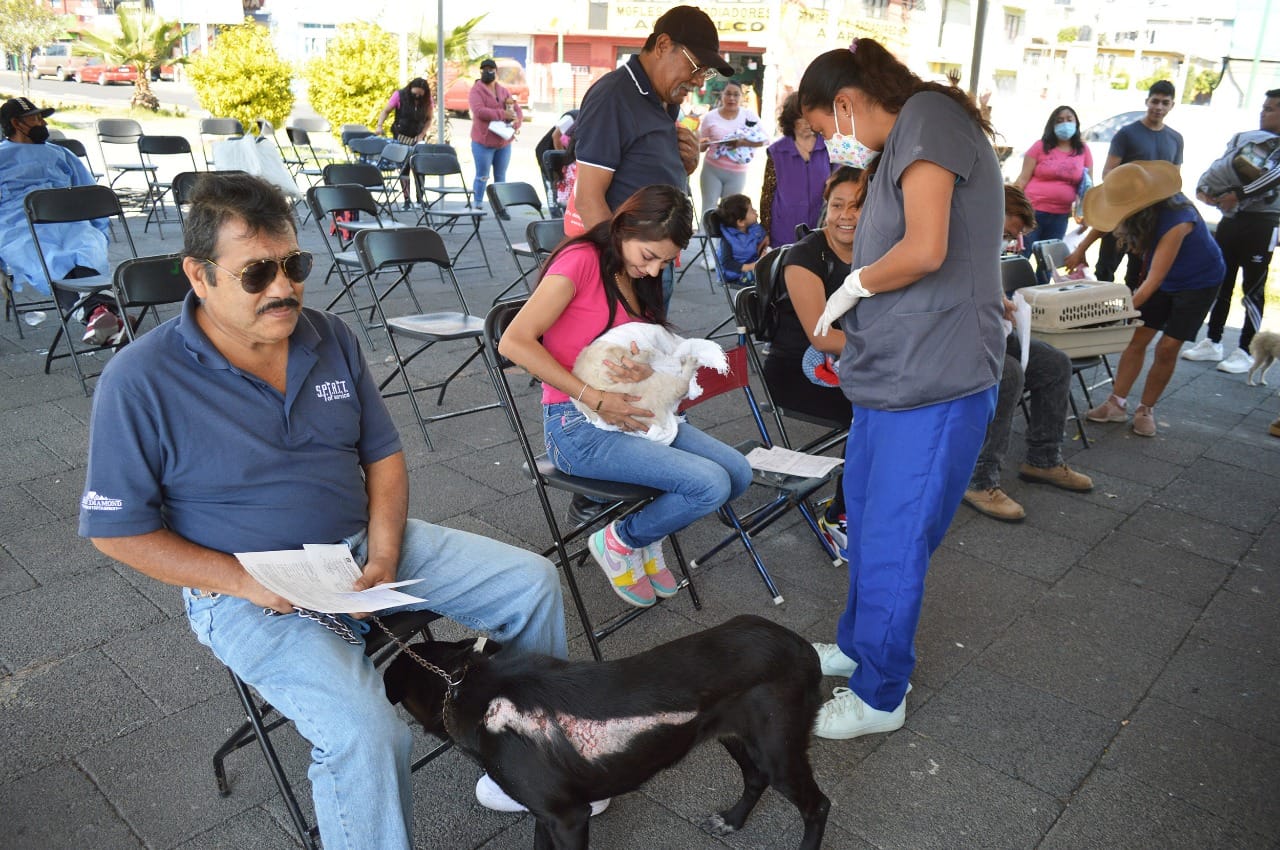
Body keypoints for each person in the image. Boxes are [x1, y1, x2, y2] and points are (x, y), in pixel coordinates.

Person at [77, 172, 569, 848]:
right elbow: (117, 532)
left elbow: (384, 458)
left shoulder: (327, 335)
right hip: (245, 584)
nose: (283, 287)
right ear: (199, 275)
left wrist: (386, 552)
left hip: (361, 545)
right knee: (364, 730)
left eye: (294, 265)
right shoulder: (140, 380)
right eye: (255, 274)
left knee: (532, 583)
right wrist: (248, 583)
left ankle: (536, 765)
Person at [796, 39, 1005, 739]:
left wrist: (852, 285)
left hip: (936, 377)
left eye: (827, 129)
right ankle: (859, 646)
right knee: (867, 519)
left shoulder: (928, 119)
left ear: (847, 103)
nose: (832, 146)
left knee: (893, 535)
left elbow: (925, 250)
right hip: (897, 373)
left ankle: (882, 693)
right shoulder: (906, 137)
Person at [498, 184, 753, 608]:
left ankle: (642, 535)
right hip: (576, 423)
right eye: (649, 257)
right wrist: (593, 396)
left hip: (636, 412)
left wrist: (648, 370)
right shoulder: (580, 262)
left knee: (738, 474)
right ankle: (621, 540)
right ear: (624, 227)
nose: (654, 272)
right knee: (708, 485)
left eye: (665, 262)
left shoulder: (635, 276)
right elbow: (514, 342)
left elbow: (647, 349)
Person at [964, 184, 1094, 522]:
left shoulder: (985, 243)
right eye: (1009, 233)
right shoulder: (958, 239)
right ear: (989, 213)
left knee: (1054, 363)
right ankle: (978, 479)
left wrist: (1001, 304)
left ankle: (1043, 458)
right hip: (951, 339)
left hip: (985, 331)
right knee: (1008, 375)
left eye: (1014, 236)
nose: (1011, 242)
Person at [1079, 161, 1225, 437]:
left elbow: (1153, 281)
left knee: (1167, 347)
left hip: (1199, 282)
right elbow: (1105, 223)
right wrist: (1081, 249)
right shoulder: (1138, 208)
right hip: (1161, 279)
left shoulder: (1177, 219)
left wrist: (1117, 314)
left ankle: (1146, 408)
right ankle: (1116, 404)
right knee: (1137, 339)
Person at [764, 166, 862, 555]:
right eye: (838, 204)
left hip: (852, 361)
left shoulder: (878, 249)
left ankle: (872, 499)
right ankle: (839, 516)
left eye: (857, 206)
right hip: (796, 368)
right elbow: (821, 335)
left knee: (905, 398)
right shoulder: (806, 256)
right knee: (873, 410)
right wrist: (888, 349)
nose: (846, 215)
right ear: (826, 206)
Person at [570, 5, 731, 236]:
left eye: (707, 73)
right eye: (697, 67)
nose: (699, 82)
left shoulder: (667, 98)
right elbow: (588, 200)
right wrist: (618, 267)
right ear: (663, 45)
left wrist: (685, 166)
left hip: (653, 256)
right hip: (627, 259)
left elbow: (645, 170)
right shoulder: (614, 96)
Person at [0, 97, 121, 345]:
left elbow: (88, 192)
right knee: (47, 255)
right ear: (16, 123)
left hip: (69, 219)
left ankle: (98, 315)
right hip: (19, 225)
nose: (42, 122)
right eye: (35, 117)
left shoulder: (61, 154)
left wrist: (98, 228)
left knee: (85, 246)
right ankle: (101, 313)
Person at [1184, 89, 1280, 374]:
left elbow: (1275, 175)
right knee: (1220, 278)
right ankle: (1213, 341)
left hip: (1263, 223)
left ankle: (1246, 350)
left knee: (1252, 287)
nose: (1264, 112)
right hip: (1233, 219)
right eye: (1263, 107)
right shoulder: (1249, 139)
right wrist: (1206, 190)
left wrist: (1237, 194)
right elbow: (1221, 166)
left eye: (1272, 108)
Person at [1065, 81, 1183, 289]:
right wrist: (1128, 191)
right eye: (1155, 101)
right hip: (1120, 213)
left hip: (1150, 221)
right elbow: (1108, 172)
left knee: (1138, 276)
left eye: (1165, 103)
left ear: (1172, 105)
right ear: (1147, 101)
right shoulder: (1127, 134)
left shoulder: (1175, 138)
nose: (1159, 107)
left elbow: (1174, 178)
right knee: (1105, 272)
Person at [1013, 104, 1093, 282]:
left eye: (1069, 119)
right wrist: (1011, 207)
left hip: (1060, 216)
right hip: (1031, 212)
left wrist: (1088, 214)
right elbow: (1023, 179)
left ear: (1076, 123)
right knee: (1021, 257)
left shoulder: (1083, 151)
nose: (1065, 124)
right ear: (1052, 125)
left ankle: (1039, 299)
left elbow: (1089, 187)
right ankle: (1012, 299)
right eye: (1060, 120)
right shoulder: (1040, 147)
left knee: (1049, 263)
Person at [760, 92, 832, 249]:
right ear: (791, 120)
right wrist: (764, 230)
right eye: (802, 118)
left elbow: (839, 185)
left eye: (811, 117)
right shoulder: (776, 151)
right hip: (784, 228)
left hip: (820, 228)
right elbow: (768, 193)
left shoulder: (830, 147)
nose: (808, 123)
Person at [697, 80, 766, 212]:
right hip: (712, 170)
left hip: (737, 173)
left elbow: (764, 140)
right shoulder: (710, 117)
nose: (731, 98)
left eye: (736, 94)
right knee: (708, 209)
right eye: (728, 94)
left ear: (742, 97)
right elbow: (701, 147)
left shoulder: (749, 116)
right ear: (722, 95)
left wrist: (742, 143)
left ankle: (725, 234)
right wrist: (701, 142)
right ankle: (705, 232)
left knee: (729, 212)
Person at [468, 58, 522, 211]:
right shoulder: (476, 90)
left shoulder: (503, 90)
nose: (488, 72)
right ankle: (477, 203)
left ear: (496, 72)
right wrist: (502, 113)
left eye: (491, 70)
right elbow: (479, 111)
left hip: (503, 142)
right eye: (484, 70)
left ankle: (500, 206)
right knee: (482, 175)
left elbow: (516, 109)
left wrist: (516, 122)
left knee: (501, 176)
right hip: (483, 142)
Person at [374, 77, 432, 210]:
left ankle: (420, 198)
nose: (417, 98)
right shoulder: (399, 95)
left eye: (420, 96)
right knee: (404, 168)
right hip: (401, 136)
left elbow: (429, 119)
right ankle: (407, 199)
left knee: (419, 168)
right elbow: (386, 111)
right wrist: (379, 125)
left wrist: (422, 134)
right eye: (414, 94)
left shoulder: (427, 100)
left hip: (418, 137)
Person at [714, 193, 767, 285]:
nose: (755, 211)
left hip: (753, 268)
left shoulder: (754, 229)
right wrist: (751, 267)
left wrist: (764, 251)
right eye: (751, 210)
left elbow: (761, 244)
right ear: (741, 222)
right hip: (735, 275)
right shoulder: (728, 239)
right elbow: (727, 263)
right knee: (767, 278)